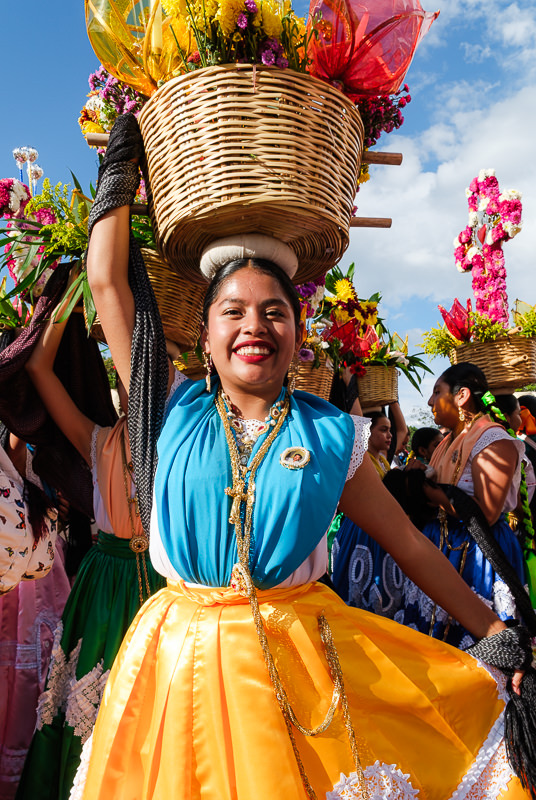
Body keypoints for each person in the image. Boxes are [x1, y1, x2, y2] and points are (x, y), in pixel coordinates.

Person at [72, 115, 535, 800]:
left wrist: (494, 632)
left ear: (296, 339)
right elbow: (108, 284)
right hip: (174, 666)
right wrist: (120, 170)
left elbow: (407, 543)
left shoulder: (331, 436)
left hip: (294, 671)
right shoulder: (170, 407)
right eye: (233, 312)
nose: (253, 326)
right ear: (205, 338)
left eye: (273, 313)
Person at [15, 289, 165, 800]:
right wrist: (69, 286)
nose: (140, 379)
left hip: (170, 594)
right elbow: (39, 369)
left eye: (154, 367)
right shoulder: (98, 439)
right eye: (131, 367)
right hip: (105, 590)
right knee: (92, 717)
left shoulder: (193, 438)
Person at [400, 364, 529, 648]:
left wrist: (425, 488)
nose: (430, 401)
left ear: (462, 396)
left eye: (437, 392)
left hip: (479, 556)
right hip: (444, 548)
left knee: (476, 651)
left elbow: (486, 513)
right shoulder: (448, 442)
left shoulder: (492, 439)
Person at [330, 412, 405, 617]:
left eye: (390, 430)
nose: (390, 435)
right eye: (383, 429)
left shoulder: (383, 462)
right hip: (358, 530)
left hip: (377, 528)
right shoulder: (363, 463)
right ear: (367, 433)